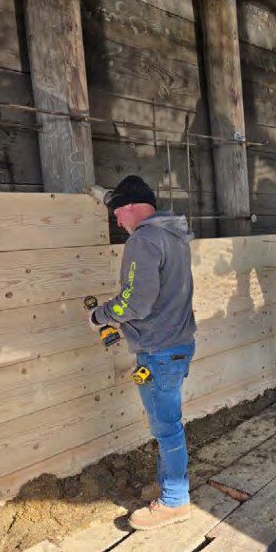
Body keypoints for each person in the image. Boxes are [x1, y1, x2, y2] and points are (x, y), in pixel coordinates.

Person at [88, 175, 197, 531]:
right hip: (177, 345)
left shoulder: (145, 240)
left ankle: (175, 502)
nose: (117, 222)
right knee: (169, 424)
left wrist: (99, 315)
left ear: (132, 207)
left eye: (118, 213)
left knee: (167, 429)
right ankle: (170, 484)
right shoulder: (174, 235)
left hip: (159, 351)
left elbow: (136, 303)